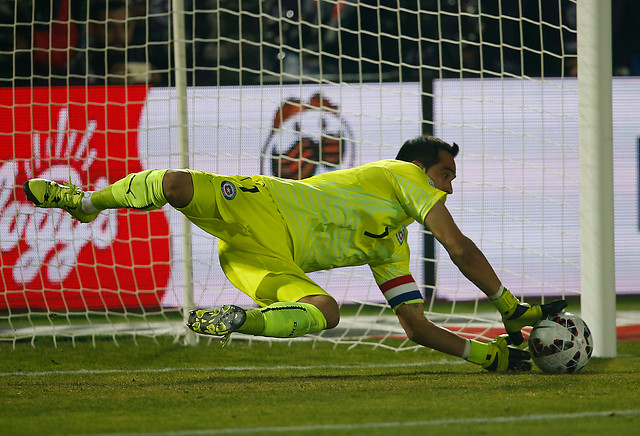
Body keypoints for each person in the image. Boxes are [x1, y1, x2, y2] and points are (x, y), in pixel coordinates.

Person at [22, 135, 566, 371]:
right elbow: (459, 246)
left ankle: (239, 319)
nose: (449, 187)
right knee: (176, 183)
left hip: (254, 261)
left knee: (326, 312)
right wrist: (509, 306)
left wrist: (486, 354)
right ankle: (87, 202)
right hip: (265, 206)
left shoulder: (392, 246)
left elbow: (417, 330)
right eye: (446, 173)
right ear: (420, 168)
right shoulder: (400, 174)